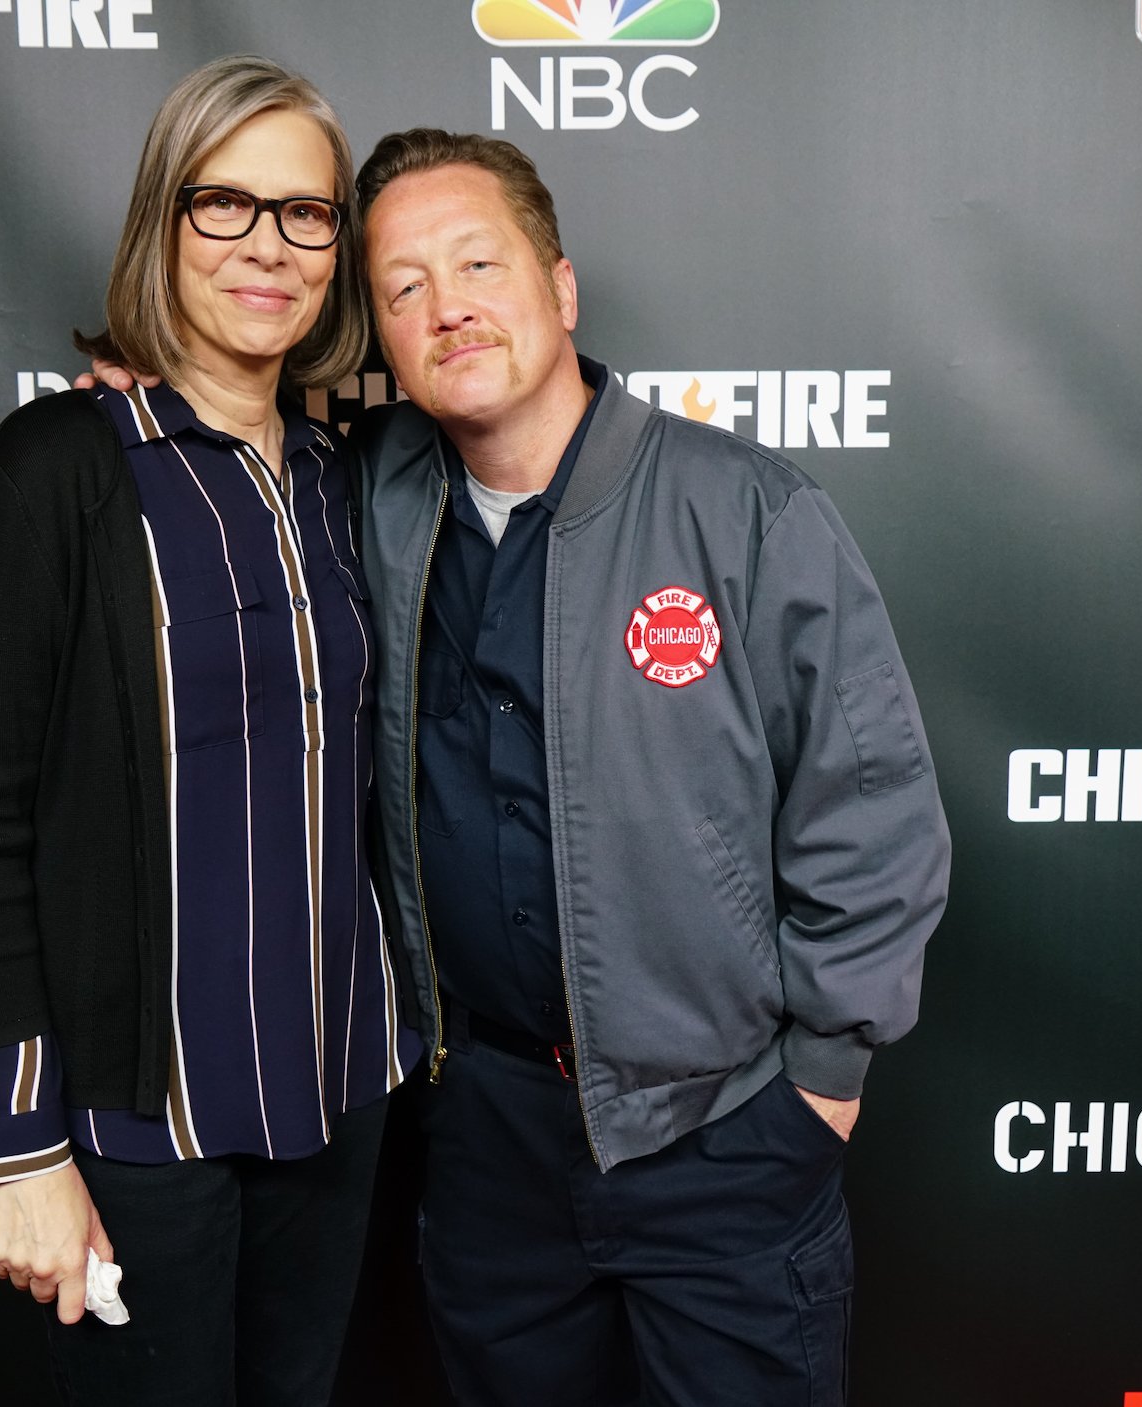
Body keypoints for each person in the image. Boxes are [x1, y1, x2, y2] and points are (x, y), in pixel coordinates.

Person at [92, 130, 950, 1407]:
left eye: (477, 263)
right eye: (401, 287)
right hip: (484, 1142)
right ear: (374, 333)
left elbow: (869, 815)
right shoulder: (363, 499)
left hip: (715, 1136)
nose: (448, 308)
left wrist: (818, 1088)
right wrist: (163, 391)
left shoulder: (745, 511)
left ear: (558, 287)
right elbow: (238, 461)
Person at [0, 56, 415, 1404]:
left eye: (306, 214)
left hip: (340, 1086)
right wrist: (19, 1146)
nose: (269, 246)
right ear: (162, 220)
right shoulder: (59, 468)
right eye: (226, 205)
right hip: (148, 1125)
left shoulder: (334, 475)